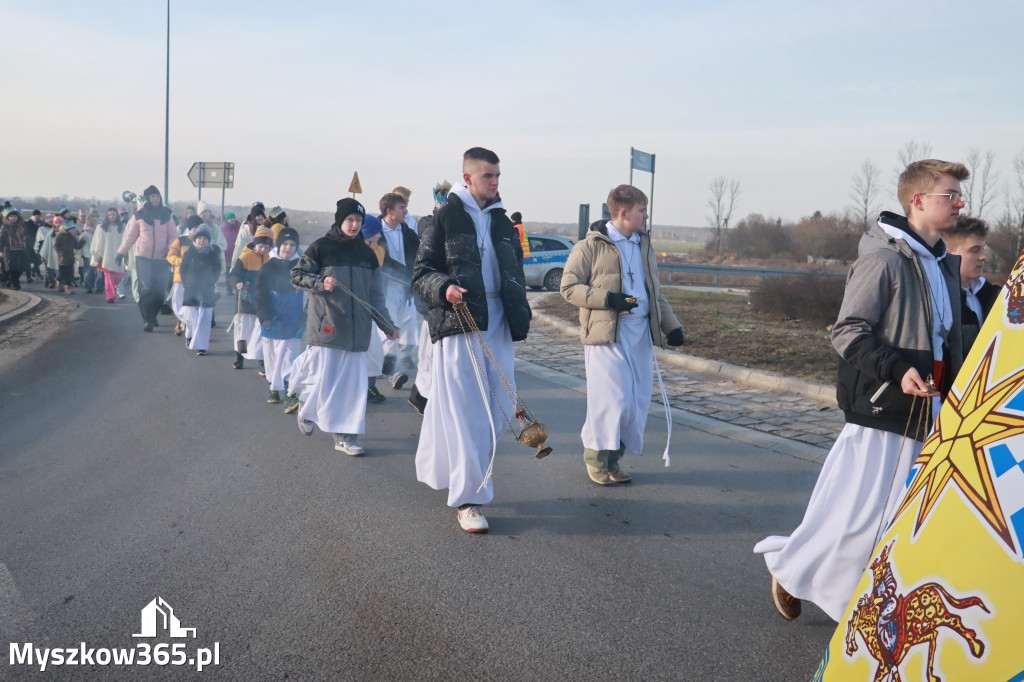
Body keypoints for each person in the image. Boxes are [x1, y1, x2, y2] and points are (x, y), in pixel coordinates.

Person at [754, 159, 968, 622]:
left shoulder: (940, 262)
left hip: (930, 408)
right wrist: (896, 371)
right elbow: (848, 332)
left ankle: (874, 601)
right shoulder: (883, 258)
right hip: (885, 405)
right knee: (857, 517)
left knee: (900, 516)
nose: (959, 203)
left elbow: (946, 338)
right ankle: (792, 569)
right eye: (950, 195)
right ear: (918, 201)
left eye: (958, 195)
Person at [412, 147, 531, 533]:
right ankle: (469, 500)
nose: (495, 182)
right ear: (467, 178)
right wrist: (444, 286)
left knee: (498, 411)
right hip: (459, 323)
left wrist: (519, 311)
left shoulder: (502, 222)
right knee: (467, 412)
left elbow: (514, 270)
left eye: (498, 176)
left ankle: (464, 475)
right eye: (487, 176)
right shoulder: (442, 218)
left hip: (498, 322)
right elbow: (422, 274)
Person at [560, 184, 684, 485]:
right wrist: (609, 299)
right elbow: (568, 288)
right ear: (624, 212)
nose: (646, 216)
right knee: (610, 399)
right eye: (642, 211)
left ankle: (615, 459)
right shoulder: (589, 247)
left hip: (639, 335)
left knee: (634, 401)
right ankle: (596, 459)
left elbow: (654, 293)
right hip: (607, 336)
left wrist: (672, 326)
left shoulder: (643, 245)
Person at [288, 198, 398, 456]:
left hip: (358, 332)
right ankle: (306, 408)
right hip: (327, 326)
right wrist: (320, 282)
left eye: (358, 220)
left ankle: (345, 438)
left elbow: (376, 296)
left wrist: (388, 326)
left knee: (352, 389)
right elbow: (296, 276)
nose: (354, 224)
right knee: (324, 380)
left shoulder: (367, 254)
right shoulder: (321, 248)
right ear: (339, 220)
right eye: (349, 219)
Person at [408, 180, 452, 415]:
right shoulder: (428, 223)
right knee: (428, 354)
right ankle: (421, 395)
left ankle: (425, 394)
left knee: (436, 355)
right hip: (430, 298)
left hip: (446, 297)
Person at [116, 185, 177, 331]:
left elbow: (173, 236)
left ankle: (152, 314)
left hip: (161, 258)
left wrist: (170, 252)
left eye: (157, 196)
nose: (155, 198)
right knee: (146, 288)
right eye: (152, 196)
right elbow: (130, 236)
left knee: (160, 290)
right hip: (143, 257)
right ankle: (148, 319)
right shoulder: (139, 215)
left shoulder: (167, 214)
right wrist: (121, 252)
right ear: (148, 199)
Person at [254, 227, 305, 404]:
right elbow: (259, 294)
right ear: (278, 245)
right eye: (284, 244)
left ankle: (290, 395)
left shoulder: (301, 267)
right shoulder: (268, 267)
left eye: (292, 245)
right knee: (272, 358)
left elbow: (309, 297)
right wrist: (264, 318)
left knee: (290, 359)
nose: (288, 248)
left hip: (293, 320)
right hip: (272, 319)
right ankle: (273, 388)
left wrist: (303, 321)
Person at [378, 191, 421, 389]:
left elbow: (418, 255)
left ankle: (385, 366)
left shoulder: (408, 233)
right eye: (401, 208)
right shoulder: (376, 233)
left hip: (405, 290)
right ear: (390, 211)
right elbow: (382, 262)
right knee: (389, 329)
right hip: (385, 290)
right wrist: (404, 272)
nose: (405, 211)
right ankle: (394, 371)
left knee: (401, 328)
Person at [945, 216, 1001, 355]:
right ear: (949, 253)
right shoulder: (939, 301)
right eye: (974, 250)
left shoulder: (994, 297)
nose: (983, 256)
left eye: (983, 249)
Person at [228, 226, 273, 370]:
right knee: (243, 331)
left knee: (261, 332)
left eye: (267, 247)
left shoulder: (271, 259)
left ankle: (262, 360)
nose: (263, 250)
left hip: (263, 301)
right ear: (255, 243)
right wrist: (237, 282)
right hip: (246, 299)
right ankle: (239, 357)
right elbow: (234, 274)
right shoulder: (245, 256)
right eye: (261, 246)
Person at [358, 215, 389, 404]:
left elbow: (378, 280)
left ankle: (370, 387)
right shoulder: (353, 250)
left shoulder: (379, 251)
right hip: (355, 308)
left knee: (375, 351)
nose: (379, 235)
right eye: (376, 232)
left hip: (371, 306)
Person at [178, 225, 222, 356]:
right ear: (195, 240)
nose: (202, 241)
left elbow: (217, 270)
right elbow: (183, 270)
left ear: (209, 241)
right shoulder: (189, 253)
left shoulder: (213, 254)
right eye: (199, 238)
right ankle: (190, 336)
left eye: (204, 239)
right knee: (193, 317)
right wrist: (186, 283)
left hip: (207, 289)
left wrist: (211, 280)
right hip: (191, 288)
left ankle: (201, 346)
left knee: (205, 317)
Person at [167, 215, 201, 335]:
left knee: (193, 305)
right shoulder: (181, 240)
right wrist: (182, 262)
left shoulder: (204, 241)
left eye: (199, 227)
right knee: (177, 304)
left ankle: (190, 326)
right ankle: (183, 321)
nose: (197, 230)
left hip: (197, 280)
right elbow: (170, 256)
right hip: (181, 278)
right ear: (190, 228)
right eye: (195, 227)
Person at [91, 208, 126, 303]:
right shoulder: (101, 227)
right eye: (110, 215)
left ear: (117, 216)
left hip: (118, 256)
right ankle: (110, 296)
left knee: (119, 275)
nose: (112, 216)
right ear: (107, 216)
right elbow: (97, 241)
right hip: (106, 256)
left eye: (113, 214)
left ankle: (113, 289)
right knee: (108, 277)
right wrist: (96, 256)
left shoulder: (122, 228)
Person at [0, 207, 31, 290]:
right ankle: (16, 284)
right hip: (9, 250)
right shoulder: (5, 227)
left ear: (18, 217)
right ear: (8, 217)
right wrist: (1, 250)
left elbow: (27, 236)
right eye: (11, 217)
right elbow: (1, 239)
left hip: (21, 250)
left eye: (15, 217)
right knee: (12, 268)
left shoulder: (22, 225)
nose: (13, 218)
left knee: (21, 269)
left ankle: (12, 280)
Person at [53, 220, 86, 294]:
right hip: (62, 259)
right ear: (67, 229)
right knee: (62, 273)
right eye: (71, 229)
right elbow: (56, 246)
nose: (73, 230)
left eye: (73, 229)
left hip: (70, 259)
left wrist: (82, 241)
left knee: (69, 274)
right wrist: (61, 253)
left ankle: (67, 288)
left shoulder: (72, 237)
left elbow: (76, 246)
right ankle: (58, 282)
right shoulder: (60, 236)